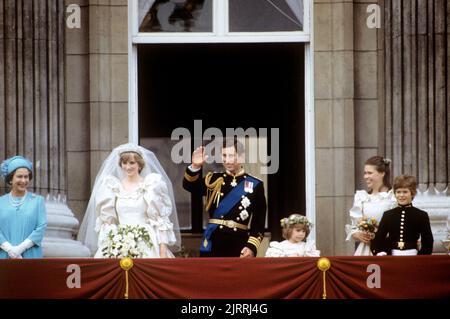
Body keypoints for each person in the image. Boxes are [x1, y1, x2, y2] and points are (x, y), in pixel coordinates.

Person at [77, 143, 181, 258]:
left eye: (132, 163)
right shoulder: (112, 187)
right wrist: (110, 245)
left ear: (140, 165)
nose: (128, 166)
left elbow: (160, 222)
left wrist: (162, 252)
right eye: (124, 163)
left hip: (147, 243)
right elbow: (108, 222)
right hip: (118, 242)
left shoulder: (151, 186)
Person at [183, 138, 267, 257]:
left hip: (239, 243)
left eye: (232, 156)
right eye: (224, 155)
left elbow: (258, 223)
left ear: (242, 157)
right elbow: (190, 186)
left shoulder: (255, 185)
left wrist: (251, 246)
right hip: (214, 242)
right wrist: (195, 166)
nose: (227, 160)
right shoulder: (213, 179)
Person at [345, 156, 397, 255]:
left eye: (369, 173)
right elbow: (355, 226)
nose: (365, 176)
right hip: (366, 250)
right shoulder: (362, 197)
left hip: (388, 249)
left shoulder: (393, 197)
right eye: (365, 173)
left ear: (382, 173)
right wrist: (357, 234)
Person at [372, 175, 434, 256]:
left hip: (413, 256)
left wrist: (421, 257)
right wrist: (380, 252)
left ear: (412, 193)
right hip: (392, 256)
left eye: (405, 192)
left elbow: (428, 241)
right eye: (398, 192)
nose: (401, 195)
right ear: (395, 194)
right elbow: (379, 238)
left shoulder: (421, 215)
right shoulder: (388, 215)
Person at [0, 156, 47, 259]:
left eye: (26, 177)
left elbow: (41, 228)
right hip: (4, 256)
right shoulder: (1, 202)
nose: (24, 180)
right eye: (19, 176)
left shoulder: (38, 201)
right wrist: (10, 249)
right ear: (11, 179)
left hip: (31, 256)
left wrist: (20, 249)